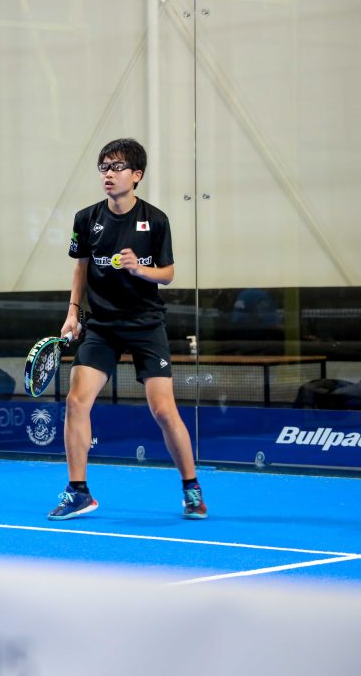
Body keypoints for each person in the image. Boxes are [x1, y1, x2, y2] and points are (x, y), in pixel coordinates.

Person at [48, 138, 207, 520]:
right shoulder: (86, 219)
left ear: (136, 175)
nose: (109, 174)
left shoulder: (156, 220)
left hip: (145, 324)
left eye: (117, 167)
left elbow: (168, 274)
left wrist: (139, 269)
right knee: (76, 402)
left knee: (163, 410)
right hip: (101, 326)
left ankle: (191, 488)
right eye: (104, 167)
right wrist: (73, 313)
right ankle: (78, 491)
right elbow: (80, 267)